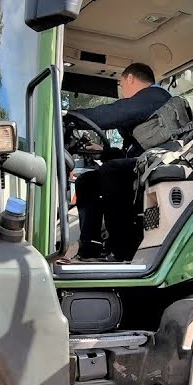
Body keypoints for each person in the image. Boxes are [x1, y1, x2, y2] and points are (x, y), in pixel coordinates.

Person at [69, 62, 171, 261]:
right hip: (144, 161)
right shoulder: (148, 103)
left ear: (130, 78)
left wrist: (71, 116)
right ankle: (90, 248)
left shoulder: (155, 96)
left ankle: (123, 250)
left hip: (157, 162)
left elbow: (114, 113)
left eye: (122, 85)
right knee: (86, 181)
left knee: (112, 171)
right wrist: (105, 151)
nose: (122, 91)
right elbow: (132, 151)